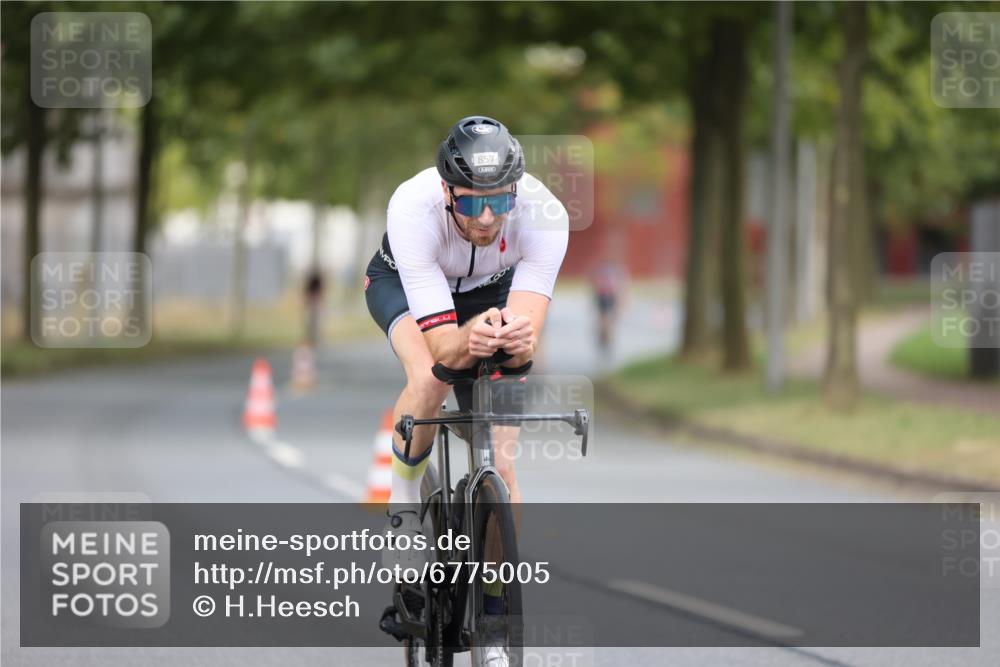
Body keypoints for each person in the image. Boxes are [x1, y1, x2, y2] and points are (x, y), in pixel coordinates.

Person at [363, 115, 568, 559]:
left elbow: (526, 337)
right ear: (446, 191)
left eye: (500, 201)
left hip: (490, 288)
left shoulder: (545, 216)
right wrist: (471, 336)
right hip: (403, 283)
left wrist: (514, 338)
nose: (488, 217)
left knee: (505, 465)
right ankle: (403, 507)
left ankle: (496, 602)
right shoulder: (411, 208)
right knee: (430, 379)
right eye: (473, 205)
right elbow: (442, 352)